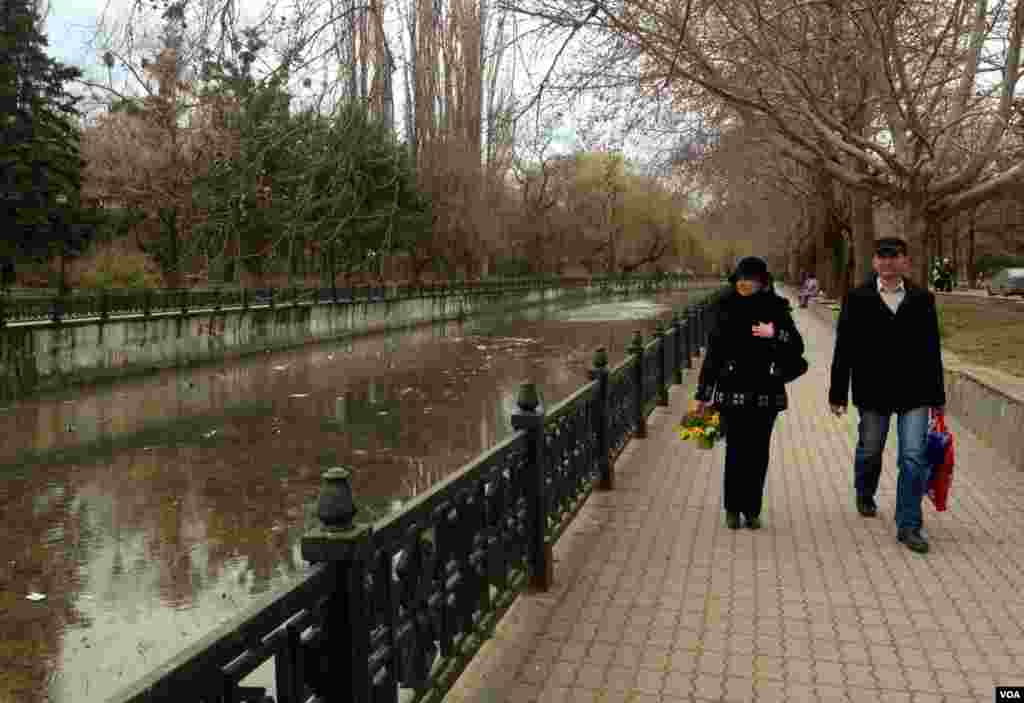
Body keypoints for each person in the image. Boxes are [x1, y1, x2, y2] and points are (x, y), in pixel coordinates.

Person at [828, 236, 946, 554]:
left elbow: (932, 349)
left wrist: (938, 398)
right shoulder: (857, 297)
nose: (888, 262)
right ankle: (864, 492)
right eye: (882, 256)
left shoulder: (922, 299)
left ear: (906, 262)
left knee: (913, 456)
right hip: (873, 390)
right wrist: (837, 393)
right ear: (874, 262)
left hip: (915, 391)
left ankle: (909, 525)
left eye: (895, 257)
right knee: (870, 449)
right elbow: (845, 348)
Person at [693, 256, 805, 530]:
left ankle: (752, 509)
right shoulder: (725, 307)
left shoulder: (777, 308)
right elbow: (714, 354)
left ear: (762, 282)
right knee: (735, 450)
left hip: (765, 392)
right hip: (731, 391)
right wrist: (703, 392)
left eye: (750, 280)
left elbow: (797, 347)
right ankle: (733, 509)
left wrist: (774, 333)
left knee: (758, 453)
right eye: (741, 279)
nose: (744, 284)